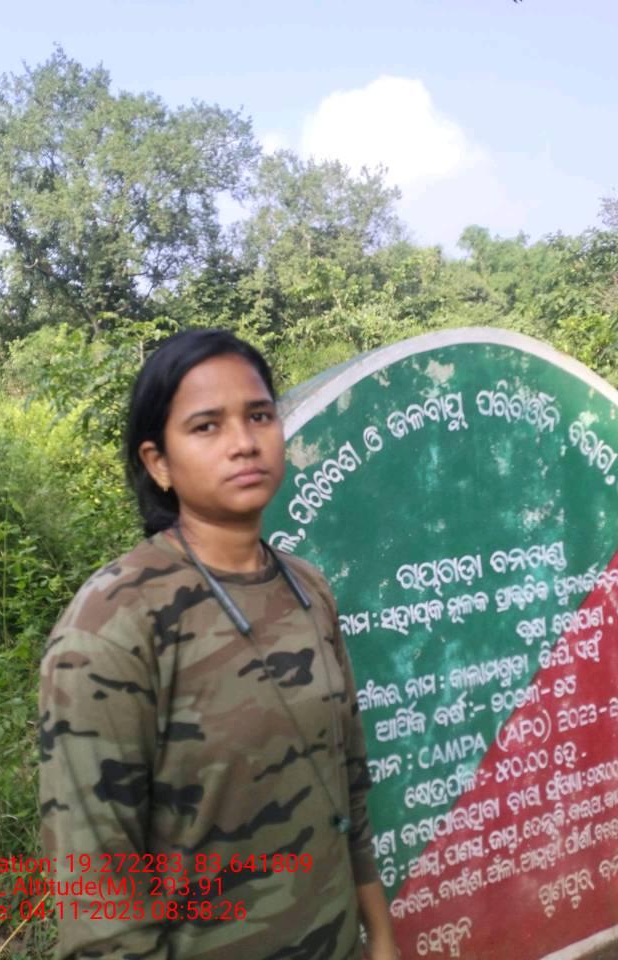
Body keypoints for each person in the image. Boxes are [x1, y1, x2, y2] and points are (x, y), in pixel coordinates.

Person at [39, 329, 398, 960]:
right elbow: (98, 887)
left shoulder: (307, 589)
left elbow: (349, 788)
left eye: (259, 416)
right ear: (159, 462)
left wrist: (383, 937)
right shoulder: (113, 624)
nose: (244, 442)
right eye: (207, 426)